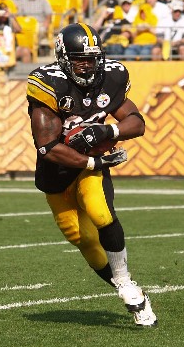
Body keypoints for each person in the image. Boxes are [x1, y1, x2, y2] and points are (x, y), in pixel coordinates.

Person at [26, 22, 157, 327]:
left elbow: (136, 123)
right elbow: (48, 147)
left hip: (90, 166)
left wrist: (106, 130)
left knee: (100, 214)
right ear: (63, 58)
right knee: (82, 238)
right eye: (79, 59)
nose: (87, 65)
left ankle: (125, 282)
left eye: (92, 58)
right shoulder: (48, 84)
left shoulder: (110, 76)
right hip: (58, 172)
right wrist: (93, 163)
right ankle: (124, 286)